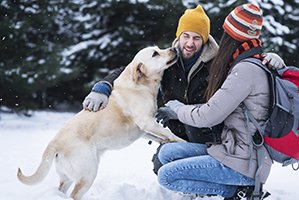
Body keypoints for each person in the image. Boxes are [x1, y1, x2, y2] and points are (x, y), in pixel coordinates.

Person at [82, 5, 284, 178]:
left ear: (204, 40)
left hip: (208, 133)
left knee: (180, 169)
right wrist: (103, 87)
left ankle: (209, 183)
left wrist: (272, 61)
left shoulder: (218, 62)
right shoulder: (166, 59)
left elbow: (247, 66)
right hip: (175, 131)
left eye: (197, 38)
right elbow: (128, 70)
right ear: (178, 36)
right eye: (185, 36)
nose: (189, 43)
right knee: (161, 165)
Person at [156, 3, 273, 200]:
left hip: (242, 162)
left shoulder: (245, 70)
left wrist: (177, 109)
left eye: (227, 33)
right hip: (232, 150)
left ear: (233, 36)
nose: (223, 37)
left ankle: (239, 191)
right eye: (186, 36)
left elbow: (209, 115)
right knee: (167, 153)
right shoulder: (245, 62)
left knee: (166, 176)